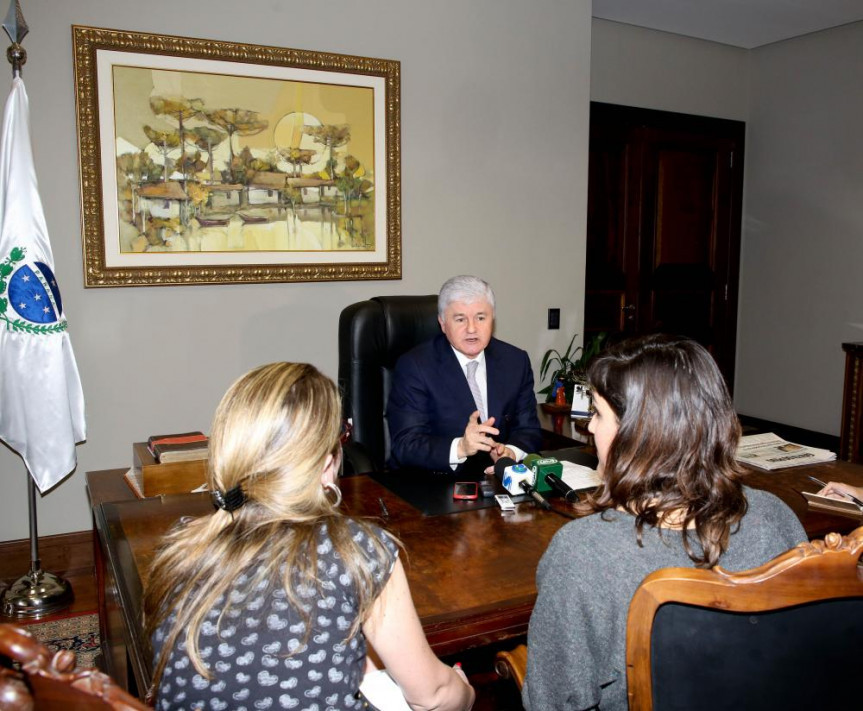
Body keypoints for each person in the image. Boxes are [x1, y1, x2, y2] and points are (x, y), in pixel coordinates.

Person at [144, 363, 474, 711]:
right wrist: (464, 693)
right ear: (327, 463)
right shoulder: (356, 552)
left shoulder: (179, 550)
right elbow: (434, 698)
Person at [523, 334, 806, 711]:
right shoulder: (775, 517)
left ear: (637, 435)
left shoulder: (581, 554)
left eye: (598, 414)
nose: (589, 428)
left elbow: (552, 702)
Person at [387, 275, 542, 474]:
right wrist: (461, 447)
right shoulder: (415, 366)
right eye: (460, 319)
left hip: (496, 483)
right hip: (433, 484)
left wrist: (510, 452)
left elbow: (528, 429)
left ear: (492, 318)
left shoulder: (515, 361)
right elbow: (406, 444)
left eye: (480, 317)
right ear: (442, 323)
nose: (471, 328)